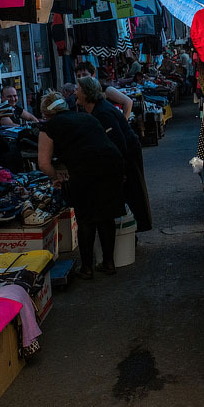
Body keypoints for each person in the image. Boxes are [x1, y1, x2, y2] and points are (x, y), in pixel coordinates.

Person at [36, 91, 125, 276]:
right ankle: (109, 263)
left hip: (86, 168)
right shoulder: (86, 117)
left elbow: (43, 164)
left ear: (46, 112)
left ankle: (87, 268)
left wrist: (56, 177)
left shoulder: (49, 126)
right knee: (106, 215)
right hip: (112, 163)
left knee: (86, 218)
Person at [77, 77, 152, 231]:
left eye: (78, 89)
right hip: (123, 154)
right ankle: (133, 229)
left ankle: (134, 229)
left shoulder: (103, 112)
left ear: (86, 93)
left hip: (127, 154)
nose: (75, 92)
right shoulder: (97, 109)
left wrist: (121, 170)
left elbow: (118, 143)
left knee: (132, 191)